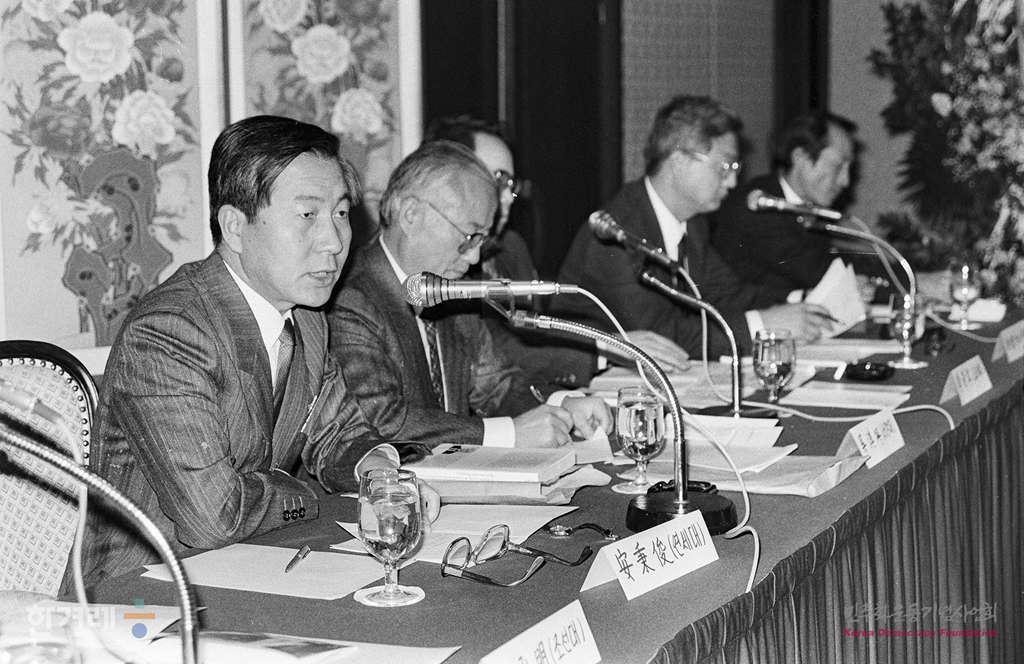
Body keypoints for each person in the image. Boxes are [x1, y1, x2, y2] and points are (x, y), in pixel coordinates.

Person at [80, 115, 425, 586]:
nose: (334, 242)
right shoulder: (169, 332)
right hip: (145, 594)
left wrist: (381, 477)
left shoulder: (306, 318)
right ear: (235, 227)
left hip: (251, 567)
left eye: (341, 214)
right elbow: (214, 518)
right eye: (308, 216)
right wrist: (304, 495)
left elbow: (339, 434)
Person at [326, 140, 612, 449]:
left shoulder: (450, 286)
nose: (474, 257)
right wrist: (508, 433)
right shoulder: (350, 299)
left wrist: (562, 405)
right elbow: (383, 423)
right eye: (469, 236)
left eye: (482, 241)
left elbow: (497, 385)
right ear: (411, 215)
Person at [558, 95, 834, 359]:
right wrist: (762, 324)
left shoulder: (693, 222)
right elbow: (661, 336)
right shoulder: (616, 231)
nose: (732, 182)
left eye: (735, 168)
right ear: (679, 161)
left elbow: (729, 294)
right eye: (725, 167)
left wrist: (804, 300)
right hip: (595, 381)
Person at [422, 114, 690, 383]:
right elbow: (495, 354)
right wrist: (604, 347)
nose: (508, 198)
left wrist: (607, 341)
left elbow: (534, 332)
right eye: (499, 179)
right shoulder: (440, 259)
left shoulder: (511, 247)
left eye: (511, 185)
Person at [711, 111, 857, 294]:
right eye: (838, 166)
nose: (845, 181)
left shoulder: (812, 209)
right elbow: (816, 272)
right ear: (800, 157)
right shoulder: (758, 204)